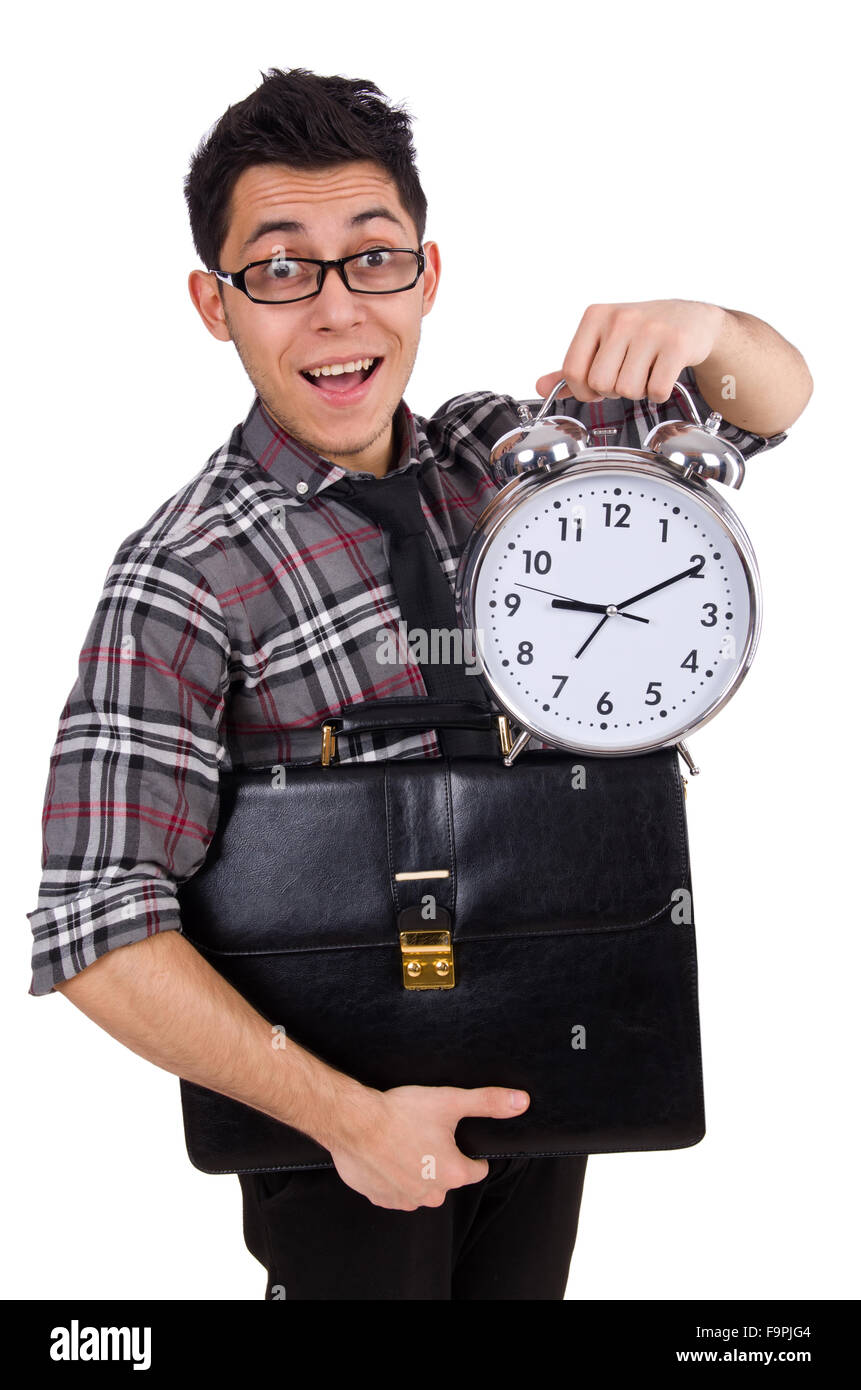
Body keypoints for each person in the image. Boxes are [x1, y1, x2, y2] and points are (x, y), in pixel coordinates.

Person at [25, 66, 813, 1301]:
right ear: (213, 303)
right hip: (336, 1126)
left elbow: (771, 405)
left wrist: (707, 330)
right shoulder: (182, 573)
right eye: (280, 269)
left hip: (554, 1050)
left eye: (373, 258)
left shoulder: (508, 457)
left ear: (427, 277)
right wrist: (346, 1119)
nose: (336, 312)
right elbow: (95, 926)